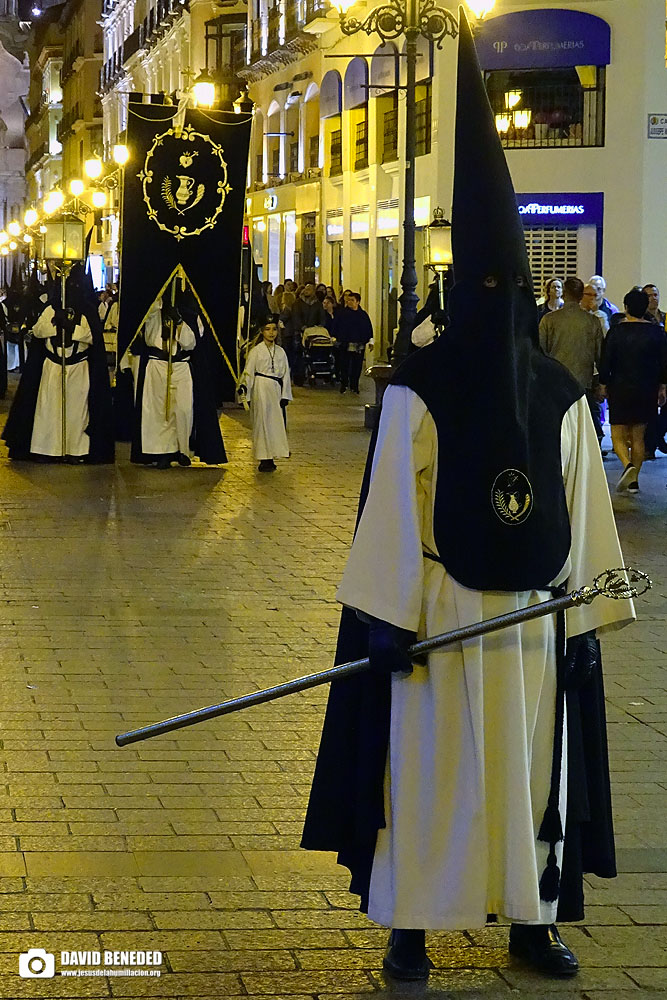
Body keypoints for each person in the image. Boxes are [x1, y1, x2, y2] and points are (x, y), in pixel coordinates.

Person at [302, 12, 635, 984]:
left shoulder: (559, 396)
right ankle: (411, 920)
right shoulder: (419, 386)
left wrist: (585, 608)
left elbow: (582, 504)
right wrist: (386, 624)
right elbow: (394, 515)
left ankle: (531, 920)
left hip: (531, 622)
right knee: (430, 778)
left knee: (531, 775)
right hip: (442, 618)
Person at [3, 266, 114, 464]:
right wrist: (56, 324)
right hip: (53, 366)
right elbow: (38, 331)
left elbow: (91, 337)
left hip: (78, 367)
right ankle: (47, 448)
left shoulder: (88, 311)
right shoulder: (50, 309)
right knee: (49, 409)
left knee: (77, 412)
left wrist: (73, 328)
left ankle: (75, 450)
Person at [121, 286, 227, 469]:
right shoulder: (152, 312)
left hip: (180, 366)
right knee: (159, 411)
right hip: (157, 364)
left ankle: (182, 449)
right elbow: (144, 325)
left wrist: (179, 321)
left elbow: (190, 343)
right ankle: (162, 451)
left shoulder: (191, 315)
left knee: (183, 409)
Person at [599, 287, 667, 493]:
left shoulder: (617, 331)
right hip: (646, 388)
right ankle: (634, 480)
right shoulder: (657, 332)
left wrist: (603, 384)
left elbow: (606, 360)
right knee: (638, 437)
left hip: (620, 387)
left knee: (618, 434)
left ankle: (626, 465)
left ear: (626, 307)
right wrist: (662, 387)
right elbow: (664, 363)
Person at [539, 277, 605, 445]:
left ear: (565, 293)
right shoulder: (592, 321)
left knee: (558, 426)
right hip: (583, 381)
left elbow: (540, 351)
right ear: (581, 295)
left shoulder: (549, 320)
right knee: (580, 428)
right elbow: (600, 355)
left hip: (555, 380)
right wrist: (602, 383)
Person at [241, 316, 292, 471]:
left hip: (275, 389)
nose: (271, 333)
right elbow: (249, 372)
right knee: (262, 422)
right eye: (268, 329)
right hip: (261, 388)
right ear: (262, 332)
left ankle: (273, 454)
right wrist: (244, 388)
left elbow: (286, 374)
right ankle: (264, 457)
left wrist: (285, 395)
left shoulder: (281, 352)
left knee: (275, 424)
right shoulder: (256, 352)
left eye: (274, 329)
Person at [334, 292, 373, 394]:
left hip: (359, 344)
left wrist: (370, 340)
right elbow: (337, 326)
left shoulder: (363, 315)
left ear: (358, 302)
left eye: (352, 300)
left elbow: (368, 328)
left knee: (357, 366)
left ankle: (354, 385)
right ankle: (344, 384)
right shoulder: (342, 314)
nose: (349, 302)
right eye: (348, 300)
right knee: (344, 364)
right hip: (345, 343)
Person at [292, 283, 327, 385]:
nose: (307, 290)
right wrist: (302, 327)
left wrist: (319, 327)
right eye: (306, 289)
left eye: (309, 289)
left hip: (313, 333)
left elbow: (322, 317)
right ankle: (298, 377)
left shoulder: (317, 304)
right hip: (299, 332)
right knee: (298, 355)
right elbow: (295, 317)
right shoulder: (298, 303)